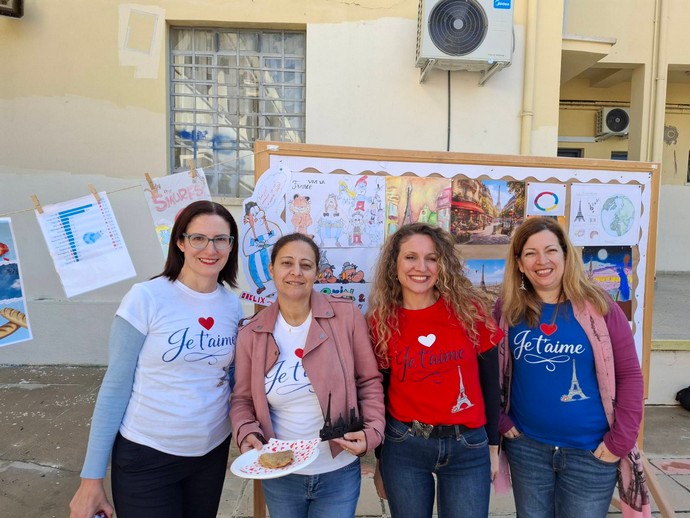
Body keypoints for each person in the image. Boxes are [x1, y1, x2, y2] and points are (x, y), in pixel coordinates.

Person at [69, 200, 243, 518]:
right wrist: (91, 478)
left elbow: (231, 380)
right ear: (180, 242)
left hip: (211, 454)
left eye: (221, 239)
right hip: (147, 455)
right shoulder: (146, 297)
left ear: (231, 246)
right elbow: (115, 387)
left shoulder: (231, 306)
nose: (211, 249)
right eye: (198, 238)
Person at [495, 216, 650, 518]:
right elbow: (490, 372)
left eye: (551, 250)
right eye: (530, 253)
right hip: (527, 449)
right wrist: (501, 420)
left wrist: (620, 442)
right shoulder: (508, 310)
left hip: (591, 452)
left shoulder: (600, 306)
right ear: (520, 264)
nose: (542, 261)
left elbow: (630, 376)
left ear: (566, 255)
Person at [230, 233, 385, 518]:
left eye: (306, 265)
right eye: (286, 263)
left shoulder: (346, 316)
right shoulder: (252, 332)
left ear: (317, 272)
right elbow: (241, 399)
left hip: (338, 469)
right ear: (272, 269)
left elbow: (369, 381)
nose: (296, 272)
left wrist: (372, 431)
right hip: (280, 472)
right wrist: (246, 431)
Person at [367, 223, 503, 518]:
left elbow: (491, 384)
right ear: (394, 264)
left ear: (443, 265)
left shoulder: (470, 311)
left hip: (468, 447)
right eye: (410, 257)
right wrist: (381, 460)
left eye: (432, 258)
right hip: (404, 446)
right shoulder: (381, 322)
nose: (421, 267)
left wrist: (494, 445)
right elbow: (380, 393)